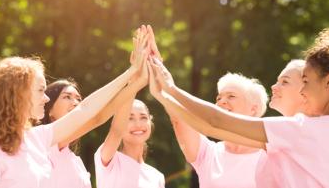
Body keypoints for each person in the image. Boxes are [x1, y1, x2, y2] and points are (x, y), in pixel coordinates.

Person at [148, 28, 329, 188]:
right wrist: (163, 94)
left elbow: (214, 122)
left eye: (305, 82)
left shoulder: (301, 129)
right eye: (219, 98)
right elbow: (210, 126)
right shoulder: (296, 133)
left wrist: (169, 89)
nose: (303, 89)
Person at [0, 26, 149, 188]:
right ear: (18, 94)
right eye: (40, 90)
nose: (46, 98)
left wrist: (131, 72)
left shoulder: (38, 138)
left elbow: (87, 109)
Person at [167, 73, 267, 188]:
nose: (221, 102)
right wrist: (161, 77)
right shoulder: (208, 153)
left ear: (253, 109)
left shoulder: (272, 155)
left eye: (231, 96)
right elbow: (178, 118)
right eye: (218, 98)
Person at [94, 59, 165, 188]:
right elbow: (116, 131)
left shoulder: (157, 177)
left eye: (143, 117)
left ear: (150, 122)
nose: (138, 124)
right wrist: (134, 82)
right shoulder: (108, 159)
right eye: (129, 118)